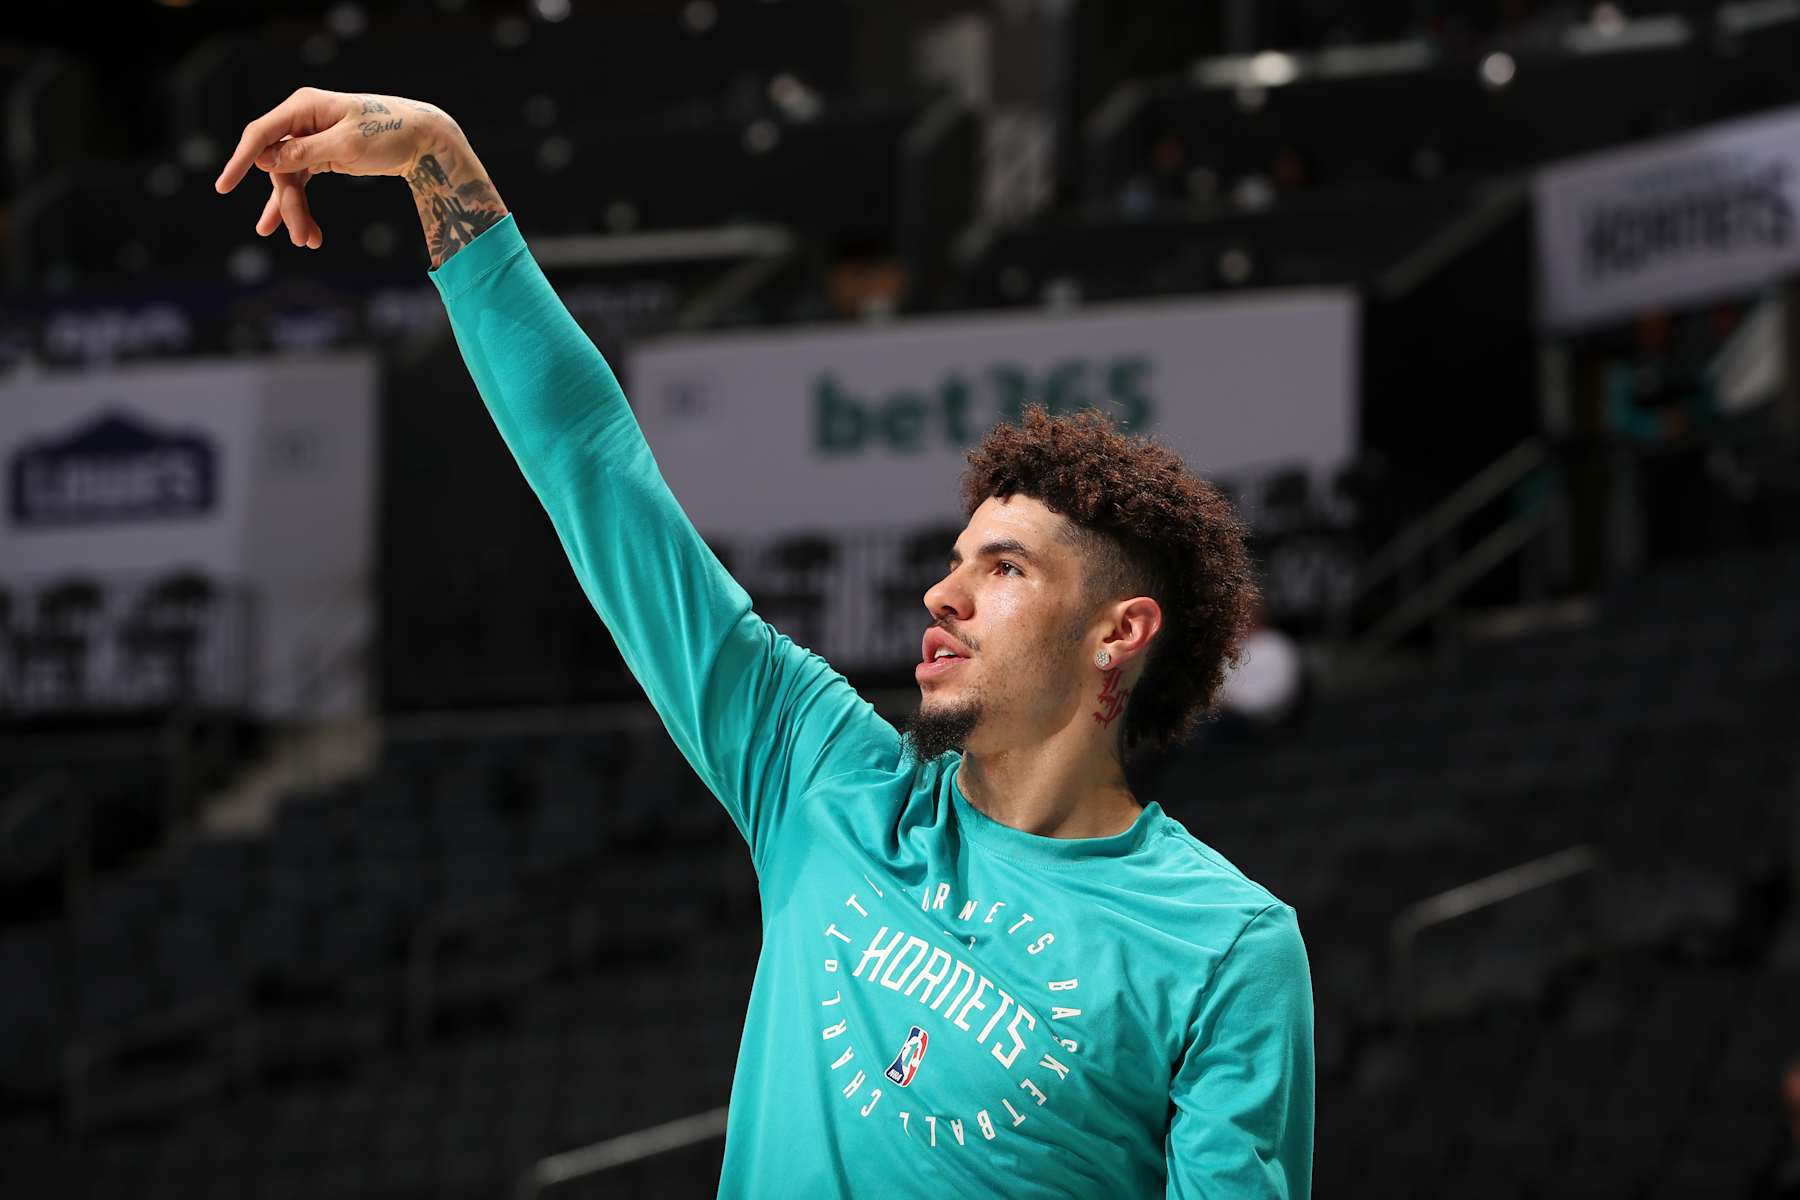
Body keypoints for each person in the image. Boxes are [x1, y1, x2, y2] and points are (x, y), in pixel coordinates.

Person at [214, 88, 1315, 1199]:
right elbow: (595, 466)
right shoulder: (821, 776)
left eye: (1005, 568)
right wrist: (439, 162)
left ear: (1117, 635)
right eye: (955, 558)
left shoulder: (1226, 948)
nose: (943, 595)